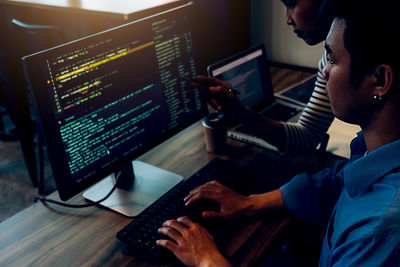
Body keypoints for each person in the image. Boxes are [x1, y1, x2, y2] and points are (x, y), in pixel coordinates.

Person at [156, 0, 400, 265]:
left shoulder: (375, 236)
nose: (324, 71)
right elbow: (337, 183)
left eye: (332, 58)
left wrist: (206, 260)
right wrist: (250, 202)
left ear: (379, 81)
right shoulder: (374, 150)